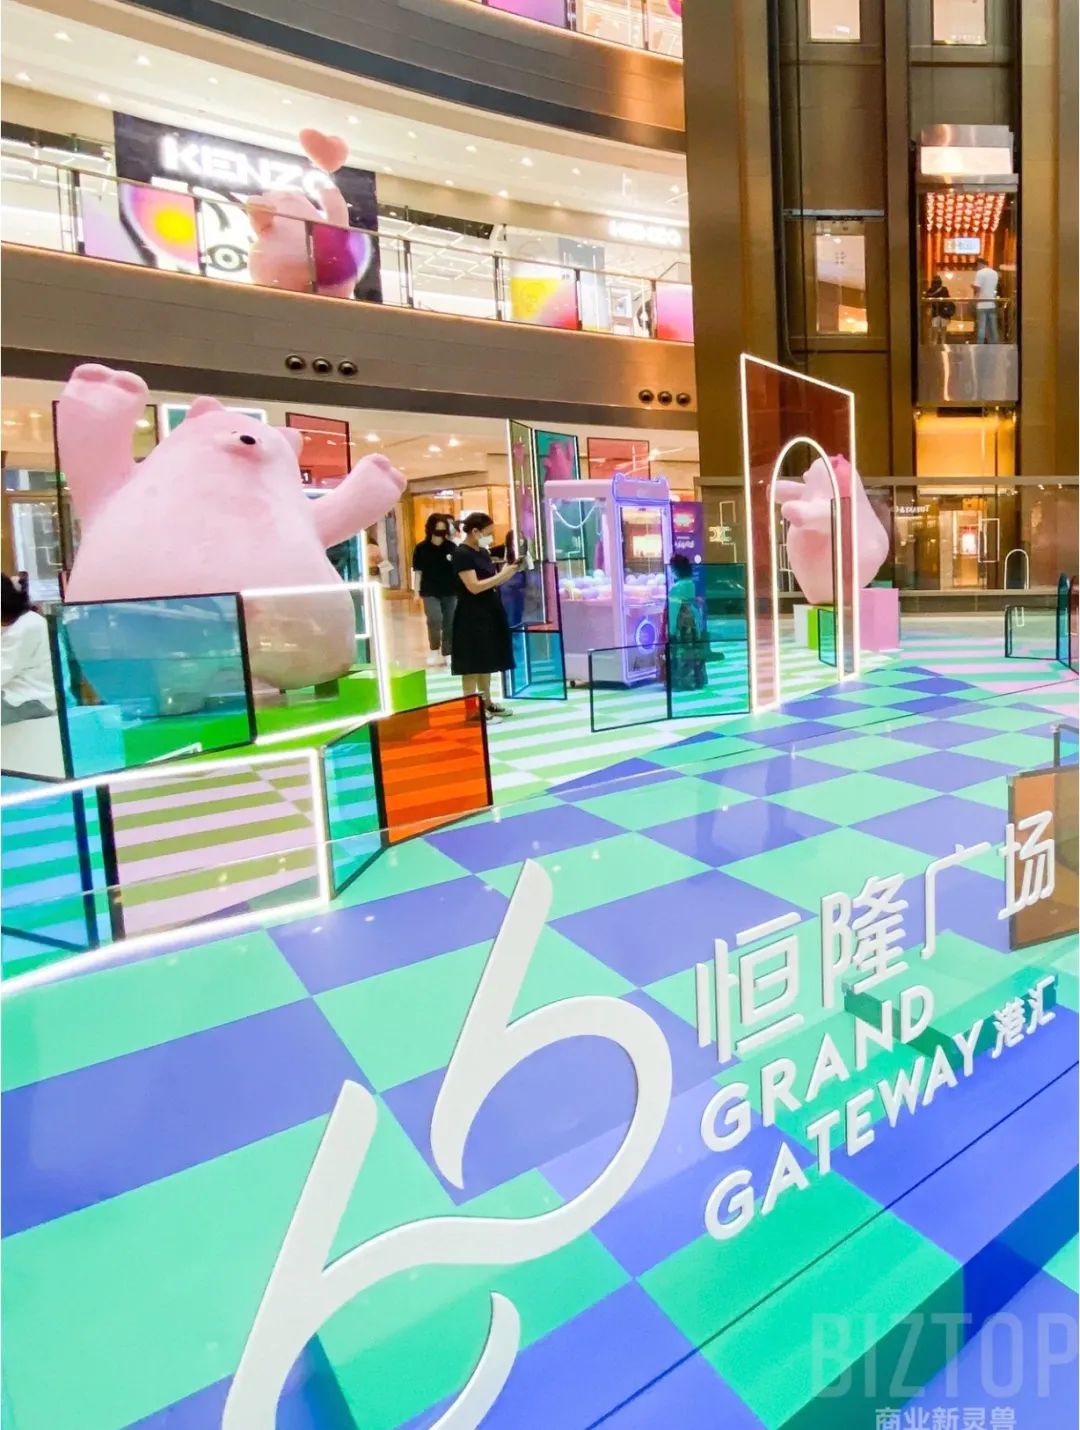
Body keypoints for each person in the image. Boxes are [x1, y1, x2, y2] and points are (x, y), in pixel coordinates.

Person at [451, 512, 521, 719]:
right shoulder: (461, 554)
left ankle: (487, 702)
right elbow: (473, 586)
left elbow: (490, 581)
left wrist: (508, 572)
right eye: (488, 533)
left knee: (486, 659)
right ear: (475, 532)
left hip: (489, 609)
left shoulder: (482, 552)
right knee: (472, 662)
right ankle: (471, 708)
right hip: (471, 613)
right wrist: (502, 575)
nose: (490, 538)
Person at [1, 574, 56, 724]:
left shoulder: (26, 627)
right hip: (14, 693)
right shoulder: (19, 623)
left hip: (31, 699)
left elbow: (3, 670)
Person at [411, 513, 458, 666]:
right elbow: (418, 571)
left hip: (450, 590)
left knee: (449, 621)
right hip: (429, 590)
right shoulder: (421, 548)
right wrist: (416, 591)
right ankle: (434, 648)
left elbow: (458, 570)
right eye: (437, 530)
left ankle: (448, 651)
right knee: (434, 619)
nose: (440, 534)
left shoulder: (451, 547)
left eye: (443, 530)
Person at [666, 555, 709, 691]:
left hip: (681, 621)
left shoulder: (676, 587)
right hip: (692, 620)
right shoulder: (690, 583)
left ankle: (685, 681)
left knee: (682, 651)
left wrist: (671, 629)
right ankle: (696, 679)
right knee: (693, 650)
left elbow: (673, 609)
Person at [972, 256, 1000, 344]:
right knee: (993, 327)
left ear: (979, 264)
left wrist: (973, 287)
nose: (977, 268)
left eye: (977, 266)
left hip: (982, 304)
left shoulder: (980, 273)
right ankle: (995, 346)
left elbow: (978, 288)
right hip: (992, 303)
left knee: (981, 327)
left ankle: (980, 346)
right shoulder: (994, 273)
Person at [924, 273, 954, 344]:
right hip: (943, 312)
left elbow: (926, 299)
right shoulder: (944, 289)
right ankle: (943, 344)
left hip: (935, 312)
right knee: (943, 331)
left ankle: (935, 345)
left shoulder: (930, 290)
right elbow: (947, 300)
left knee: (935, 331)